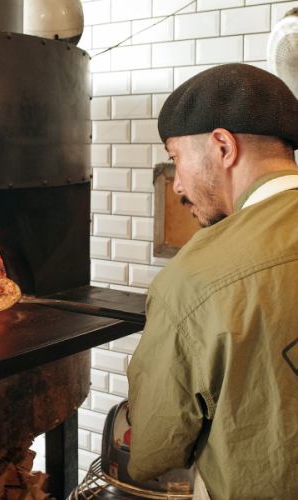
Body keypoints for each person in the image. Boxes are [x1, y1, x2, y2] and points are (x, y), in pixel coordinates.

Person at [126, 63, 298, 500]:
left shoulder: (196, 277)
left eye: (175, 159)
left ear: (223, 146)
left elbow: (153, 450)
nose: (178, 183)